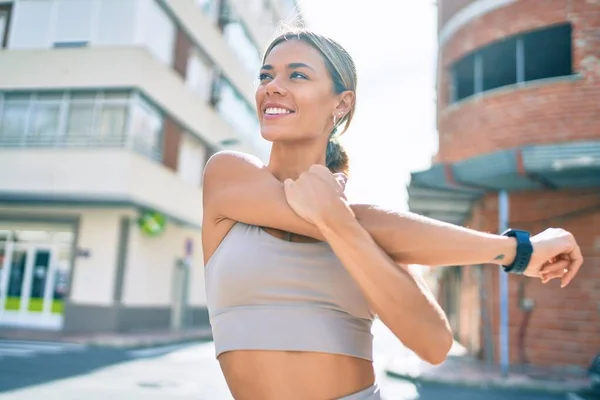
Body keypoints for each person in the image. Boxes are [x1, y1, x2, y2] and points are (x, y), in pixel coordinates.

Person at [201, 29, 583, 400]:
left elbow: (434, 344)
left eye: (297, 75)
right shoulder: (228, 175)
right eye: (266, 75)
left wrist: (338, 223)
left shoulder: (372, 232)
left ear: (342, 103)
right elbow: (357, 219)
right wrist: (518, 251)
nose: (272, 86)